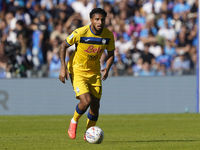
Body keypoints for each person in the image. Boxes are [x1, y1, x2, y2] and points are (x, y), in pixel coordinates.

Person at [58, 8, 115, 140]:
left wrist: (107, 67)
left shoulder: (108, 35)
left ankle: (89, 133)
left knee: (95, 106)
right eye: (97, 19)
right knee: (86, 101)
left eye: (102, 19)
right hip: (77, 71)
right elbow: (63, 46)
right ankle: (74, 121)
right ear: (91, 20)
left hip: (94, 73)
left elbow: (111, 54)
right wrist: (63, 67)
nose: (100, 22)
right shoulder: (80, 32)